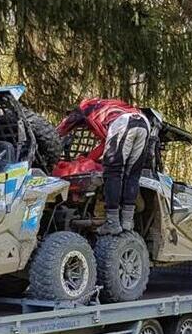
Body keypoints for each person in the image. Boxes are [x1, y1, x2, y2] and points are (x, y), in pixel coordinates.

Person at [57, 98, 150, 235]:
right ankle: (127, 222)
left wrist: (51, 137)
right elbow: (104, 146)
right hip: (143, 122)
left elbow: (61, 129)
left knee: (113, 173)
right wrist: (88, 159)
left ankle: (112, 223)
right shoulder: (107, 108)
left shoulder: (84, 108)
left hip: (123, 122)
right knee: (132, 174)